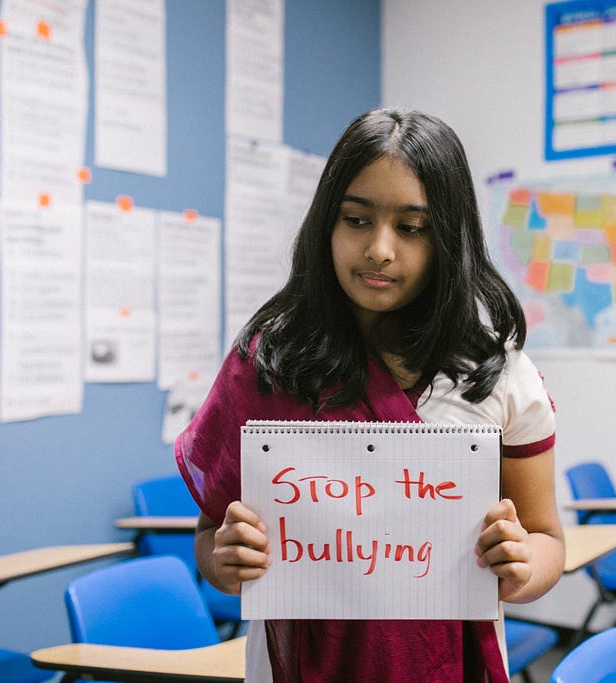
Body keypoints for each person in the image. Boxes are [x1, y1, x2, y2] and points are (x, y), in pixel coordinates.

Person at [176, 107, 564, 682]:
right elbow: (210, 535)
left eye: (411, 228)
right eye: (356, 220)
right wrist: (225, 560)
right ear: (325, 225)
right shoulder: (268, 365)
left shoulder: (496, 374)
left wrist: (523, 566)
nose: (380, 249)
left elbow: (547, 538)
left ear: (448, 239)